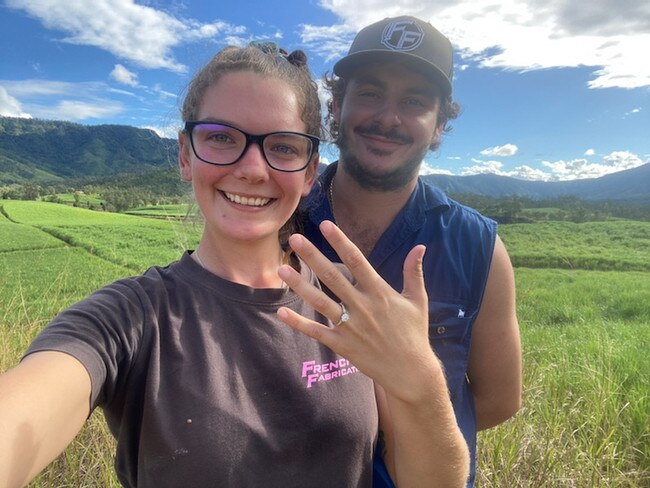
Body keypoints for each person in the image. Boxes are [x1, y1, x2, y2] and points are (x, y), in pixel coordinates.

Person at [0, 44, 469, 487]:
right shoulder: (131, 318)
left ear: (309, 173)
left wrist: (423, 385)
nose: (252, 168)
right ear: (186, 155)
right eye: (222, 138)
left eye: (283, 146)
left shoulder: (355, 304)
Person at [302, 16, 523, 487]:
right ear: (336, 107)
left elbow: (499, 400)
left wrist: (403, 429)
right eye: (369, 94)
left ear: (439, 125)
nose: (388, 117)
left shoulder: (478, 247)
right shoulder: (285, 223)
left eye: (414, 102)